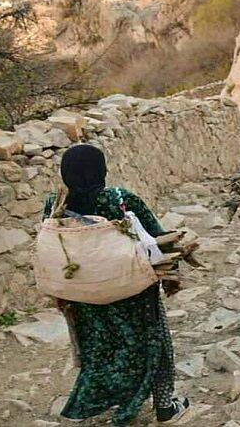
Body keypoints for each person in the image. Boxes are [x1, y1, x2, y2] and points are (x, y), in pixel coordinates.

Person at [42, 144, 189, 425]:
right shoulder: (118, 198)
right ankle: (164, 405)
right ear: (101, 169)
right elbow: (156, 237)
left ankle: (95, 402)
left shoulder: (55, 204)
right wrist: (171, 274)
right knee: (152, 342)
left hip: (83, 292)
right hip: (131, 289)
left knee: (100, 348)